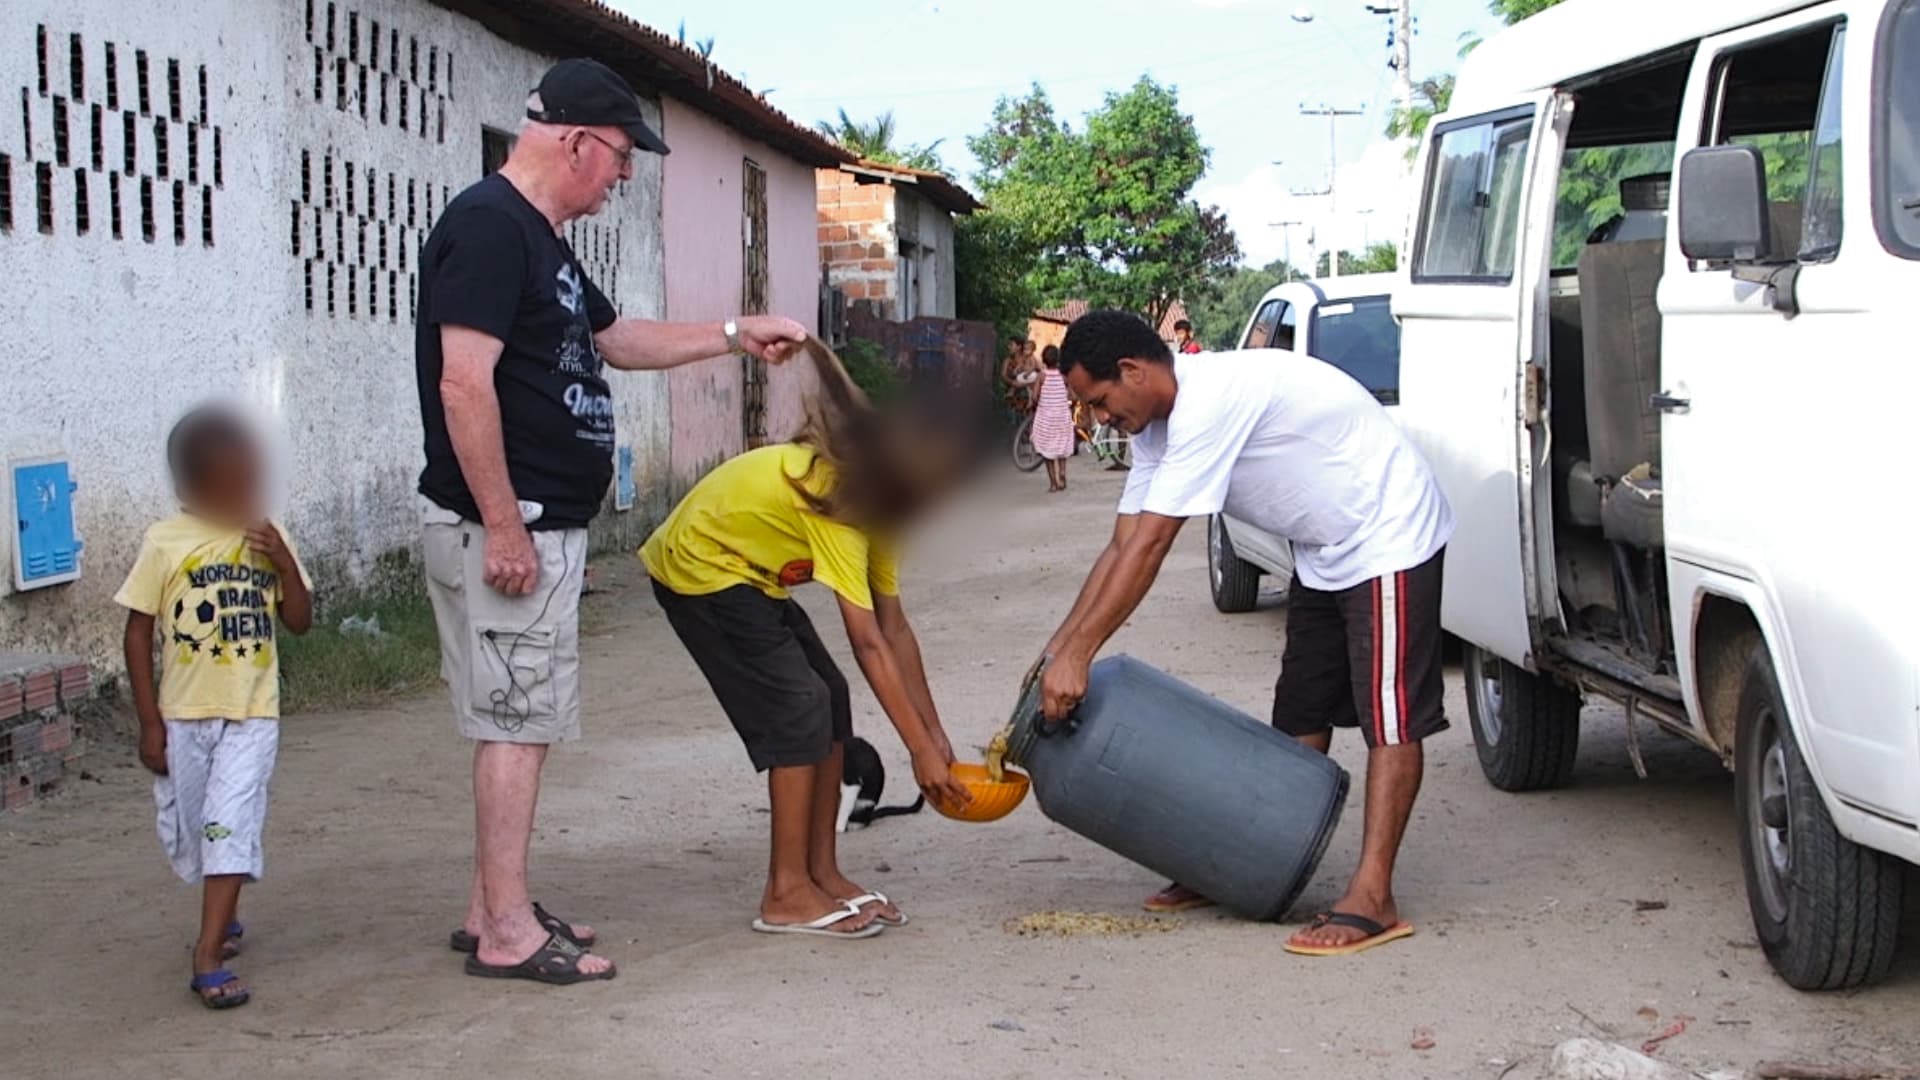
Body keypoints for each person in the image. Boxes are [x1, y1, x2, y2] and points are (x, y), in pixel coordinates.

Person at [415, 57, 808, 986]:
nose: (626, 176)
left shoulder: (539, 238)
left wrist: (730, 332)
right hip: (507, 528)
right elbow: (462, 382)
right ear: (578, 141)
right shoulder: (487, 225)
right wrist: (506, 524)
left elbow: (614, 339)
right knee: (516, 721)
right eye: (624, 155)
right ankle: (508, 931)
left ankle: (490, 908)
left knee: (514, 717)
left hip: (533, 524)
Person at [1036, 311, 1454, 957]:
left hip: (1387, 533)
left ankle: (1374, 895)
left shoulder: (1209, 402)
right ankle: (1250, 857)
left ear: (1133, 371)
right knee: (1299, 716)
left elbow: (1150, 546)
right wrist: (1059, 649)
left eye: (1099, 401)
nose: (1099, 419)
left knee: (1390, 718)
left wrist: (1083, 654)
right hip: (1322, 549)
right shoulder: (1154, 425)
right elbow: (1120, 543)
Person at [643, 343, 972, 939]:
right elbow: (868, 640)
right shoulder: (846, 500)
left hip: (750, 572)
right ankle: (785, 892)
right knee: (799, 706)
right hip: (700, 566)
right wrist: (917, 754)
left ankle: (822, 872)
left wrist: (935, 733)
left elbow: (895, 627)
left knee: (831, 695)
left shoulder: (884, 508)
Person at [116, 406, 314, 1009]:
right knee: (197, 827)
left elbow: (299, 622)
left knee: (229, 820)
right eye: (227, 488)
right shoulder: (164, 543)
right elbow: (137, 633)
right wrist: (150, 723)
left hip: (252, 714)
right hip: (184, 715)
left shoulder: (266, 537)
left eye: (249, 485)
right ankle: (221, 912)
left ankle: (206, 954)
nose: (242, 499)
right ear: (187, 490)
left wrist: (282, 561)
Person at [1031, 344, 1075, 492]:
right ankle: (1062, 472)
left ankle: (1053, 483)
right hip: (1062, 416)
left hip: (1046, 418)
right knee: (1062, 447)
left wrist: (1038, 403)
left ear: (1044, 360)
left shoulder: (1041, 376)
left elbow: (1035, 396)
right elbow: (1072, 396)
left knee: (1047, 452)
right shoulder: (1064, 376)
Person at [1001, 335, 1039, 413]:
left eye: (1011, 345)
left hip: (1025, 397)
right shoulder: (1008, 360)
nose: (1009, 347)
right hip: (1012, 397)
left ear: (1019, 347)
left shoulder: (1027, 359)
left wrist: (1023, 384)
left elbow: (1036, 374)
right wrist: (1013, 383)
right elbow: (1003, 375)